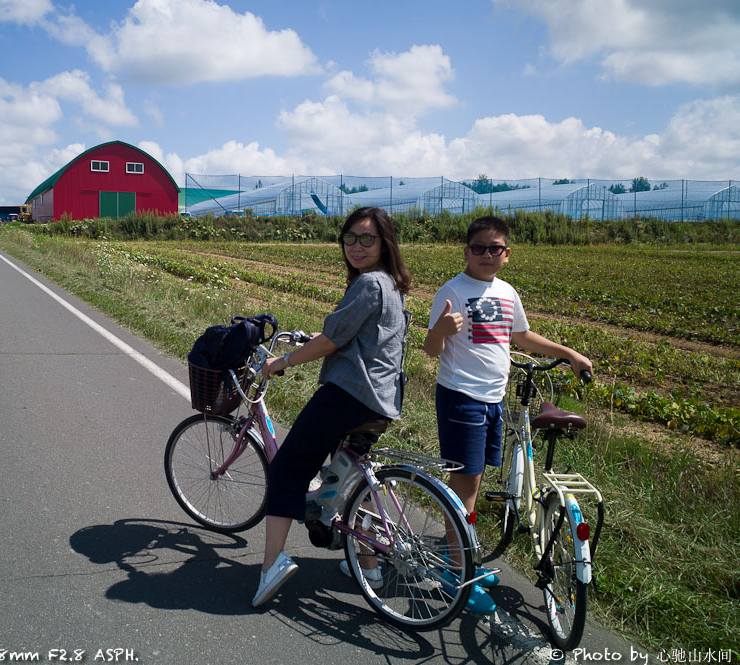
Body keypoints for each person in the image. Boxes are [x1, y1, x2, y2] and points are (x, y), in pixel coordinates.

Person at [423, 214, 592, 614]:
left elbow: (520, 337)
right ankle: (456, 573)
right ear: (465, 252)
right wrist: (442, 329)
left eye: (494, 248)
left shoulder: (506, 292)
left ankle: (462, 559)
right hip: (461, 397)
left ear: (506, 254)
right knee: (465, 489)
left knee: (473, 487)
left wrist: (568, 354)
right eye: (478, 248)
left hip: (493, 400)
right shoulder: (453, 290)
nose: (485, 254)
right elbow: (431, 350)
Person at [252, 206, 411, 608]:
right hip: (382, 400)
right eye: (350, 238)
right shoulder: (392, 285)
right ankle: (370, 565)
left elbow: (332, 341)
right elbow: (359, 336)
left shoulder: (368, 285)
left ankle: (271, 565)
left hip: (349, 395)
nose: (356, 247)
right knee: (355, 480)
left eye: (367, 239)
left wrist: (281, 362)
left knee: (288, 468)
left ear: (384, 243)